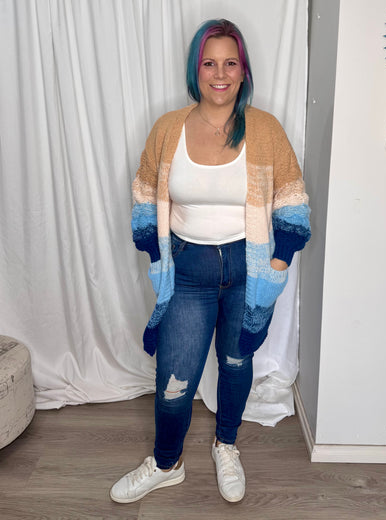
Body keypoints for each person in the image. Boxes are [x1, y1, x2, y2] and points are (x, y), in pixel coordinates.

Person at [110, 18, 311, 504]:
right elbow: (144, 192)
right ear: (195, 70)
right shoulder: (168, 128)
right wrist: (154, 251)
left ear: (243, 71)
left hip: (249, 268)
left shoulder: (264, 128)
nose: (220, 74)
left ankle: (226, 445)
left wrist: (279, 264)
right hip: (188, 269)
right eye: (209, 63)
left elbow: (292, 197)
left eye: (230, 63)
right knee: (175, 379)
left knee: (237, 362)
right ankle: (167, 463)